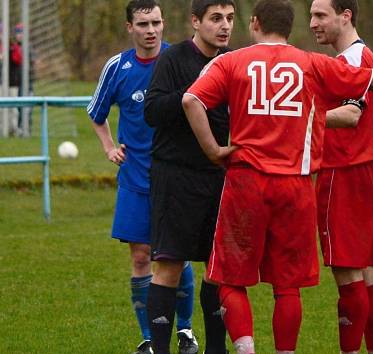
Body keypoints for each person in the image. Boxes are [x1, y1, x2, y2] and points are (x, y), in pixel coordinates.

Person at [182, 1, 373, 353]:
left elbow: (191, 100)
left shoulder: (231, 61)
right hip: (296, 186)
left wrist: (213, 151)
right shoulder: (313, 63)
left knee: (228, 277)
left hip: (248, 180)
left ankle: (245, 347)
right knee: (289, 286)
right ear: (289, 28)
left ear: (253, 23)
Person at [87, 2, 199, 353]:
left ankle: (185, 331)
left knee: (174, 255)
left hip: (175, 175)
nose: (150, 30)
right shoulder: (117, 67)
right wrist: (108, 147)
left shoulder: (179, 62)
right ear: (129, 27)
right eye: (143, 24)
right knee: (140, 257)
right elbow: (96, 112)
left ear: (164, 24)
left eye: (156, 23)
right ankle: (149, 338)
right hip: (135, 178)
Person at [143, 1, 234, 353]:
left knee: (217, 269)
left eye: (229, 18)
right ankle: (161, 348)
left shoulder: (233, 61)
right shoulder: (174, 59)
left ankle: (216, 348)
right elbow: (152, 110)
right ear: (195, 22)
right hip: (175, 176)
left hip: (217, 177)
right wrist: (196, 92)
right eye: (215, 18)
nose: (223, 26)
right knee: (169, 265)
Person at [309, 1, 373, 353]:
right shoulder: (363, 55)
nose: (313, 23)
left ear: (346, 16)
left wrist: (302, 114)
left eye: (320, 15)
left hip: (343, 173)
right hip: (367, 171)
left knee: (348, 274)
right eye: (312, 15)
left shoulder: (350, 62)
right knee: (368, 272)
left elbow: (351, 115)